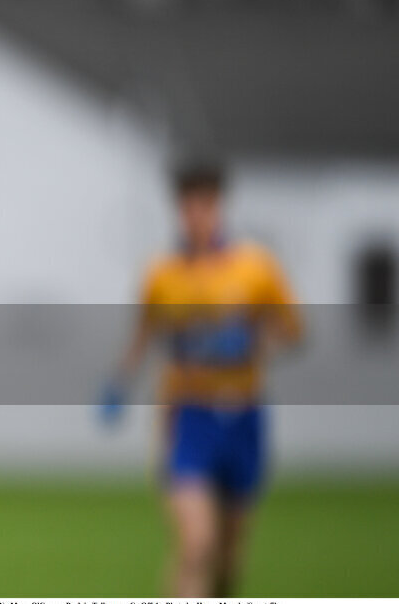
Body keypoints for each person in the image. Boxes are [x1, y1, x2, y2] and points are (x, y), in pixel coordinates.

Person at [102, 161, 301, 597]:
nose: (197, 216)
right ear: (179, 209)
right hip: (187, 417)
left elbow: (293, 331)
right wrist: (118, 384)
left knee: (228, 557)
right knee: (196, 544)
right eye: (189, 206)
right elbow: (144, 336)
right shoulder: (162, 274)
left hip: (244, 416)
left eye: (206, 205)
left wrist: (254, 340)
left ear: (219, 207)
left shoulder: (256, 268)